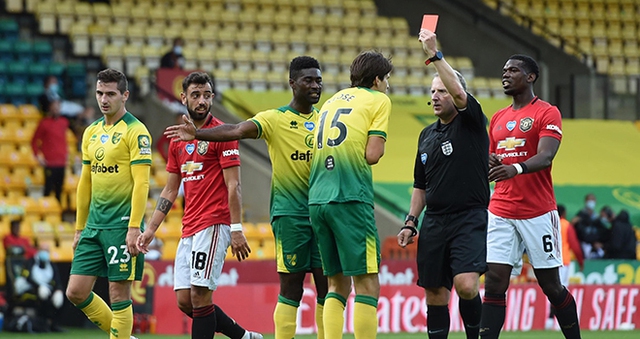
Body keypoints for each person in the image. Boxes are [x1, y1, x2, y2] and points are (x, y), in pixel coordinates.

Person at [164, 57, 328, 339]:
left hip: (324, 214)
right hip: (290, 215)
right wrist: (199, 134)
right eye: (308, 80)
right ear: (292, 84)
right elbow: (237, 130)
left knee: (327, 288)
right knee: (291, 289)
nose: (315, 86)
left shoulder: (327, 120)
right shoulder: (274, 118)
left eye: (318, 80)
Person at [136, 72, 261, 339]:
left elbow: (234, 185)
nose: (202, 100)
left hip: (214, 224)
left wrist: (236, 228)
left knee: (200, 296)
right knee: (185, 300)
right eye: (196, 95)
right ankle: (244, 337)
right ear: (183, 98)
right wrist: (150, 230)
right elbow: (170, 190)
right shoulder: (177, 140)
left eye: (207, 95)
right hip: (189, 228)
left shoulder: (223, 134)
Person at [481, 54, 582, 339]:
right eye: (504, 70)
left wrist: (515, 168)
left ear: (530, 77)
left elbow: (546, 156)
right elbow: (493, 159)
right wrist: (490, 164)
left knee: (550, 285)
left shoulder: (547, 112)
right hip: (500, 209)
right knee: (494, 282)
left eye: (513, 70)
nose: (506, 74)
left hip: (537, 211)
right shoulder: (498, 118)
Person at [397, 29, 488, 339]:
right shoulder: (426, 135)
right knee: (435, 293)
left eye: (442, 91)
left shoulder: (472, 122)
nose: (435, 96)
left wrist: (435, 55)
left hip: (468, 217)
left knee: (465, 285)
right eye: (433, 92)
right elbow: (420, 185)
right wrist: (411, 221)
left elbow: (462, 96)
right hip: (434, 221)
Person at [307, 50, 392, 338]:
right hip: (349, 196)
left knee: (336, 285)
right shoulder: (379, 99)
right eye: (387, 79)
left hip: (318, 197)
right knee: (367, 283)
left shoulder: (332, 100)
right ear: (378, 80)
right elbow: (372, 154)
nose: (388, 86)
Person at [65, 68, 151, 339]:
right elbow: (85, 183)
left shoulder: (136, 132)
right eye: (100, 93)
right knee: (75, 292)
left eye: (111, 94)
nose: (104, 99)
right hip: (93, 225)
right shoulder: (90, 132)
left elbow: (142, 184)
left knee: (119, 294)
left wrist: (134, 227)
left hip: (122, 224)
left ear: (124, 96)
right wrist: (79, 228)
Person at [547, 204, 584, 330]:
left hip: (548, 261)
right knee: (560, 292)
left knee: (550, 290)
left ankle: (550, 320)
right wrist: (580, 261)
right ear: (564, 213)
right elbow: (574, 244)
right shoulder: (566, 225)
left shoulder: (547, 223)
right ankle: (558, 322)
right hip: (563, 261)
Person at [31, 98, 69, 202]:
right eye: (54, 106)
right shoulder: (44, 123)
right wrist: (37, 156)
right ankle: (46, 210)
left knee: (59, 190)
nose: (56, 109)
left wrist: (66, 154)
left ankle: (57, 213)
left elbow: (63, 140)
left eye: (58, 106)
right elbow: (34, 141)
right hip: (49, 163)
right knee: (48, 189)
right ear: (50, 108)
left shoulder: (64, 122)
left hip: (61, 162)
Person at [573, 193, 605, 259]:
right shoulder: (580, 215)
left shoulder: (596, 217)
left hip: (595, 245)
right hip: (583, 244)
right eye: (589, 200)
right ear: (586, 201)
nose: (591, 202)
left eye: (593, 200)